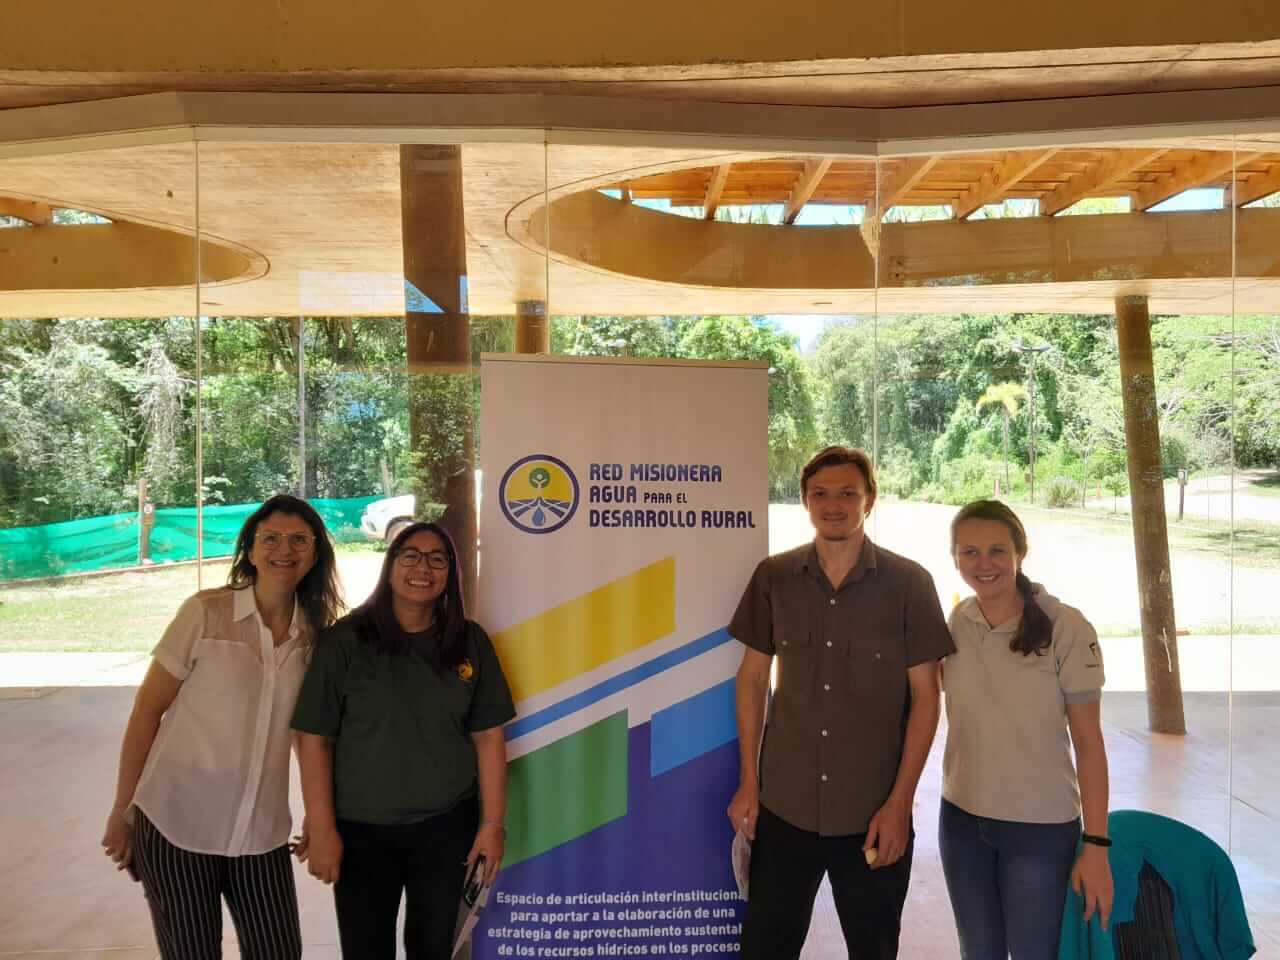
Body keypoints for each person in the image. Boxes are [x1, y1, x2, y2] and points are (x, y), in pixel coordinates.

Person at [726, 445, 954, 960]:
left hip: (873, 813)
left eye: (848, 493)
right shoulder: (774, 577)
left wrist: (900, 805)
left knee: (874, 949)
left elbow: (926, 699)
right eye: (821, 494)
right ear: (805, 500)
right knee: (764, 949)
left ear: (869, 499)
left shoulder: (909, 584)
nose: (834, 505)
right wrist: (749, 782)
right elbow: (752, 678)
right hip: (785, 809)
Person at [101, 494, 343, 960]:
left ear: (315, 554)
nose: (284, 549)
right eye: (270, 538)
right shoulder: (205, 612)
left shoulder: (315, 637)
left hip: (262, 833)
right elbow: (147, 712)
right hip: (175, 823)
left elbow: (308, 737)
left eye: (299, 540)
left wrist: (319, 815)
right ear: (250, 549)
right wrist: (122, 810)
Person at [292, 520, 515, 960]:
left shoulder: (470, 641)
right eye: (410, 555)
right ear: (390, 566)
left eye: (437, 559)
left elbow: (489, 736)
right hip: (361, 831)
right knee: (366, 950)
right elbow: (313, 738)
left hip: (446, 827)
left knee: (433, 949)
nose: (423, 568)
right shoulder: (345, 641)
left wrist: (492, 826)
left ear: (451, 572)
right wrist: (322, 826)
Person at [940, 499, 1113, 959]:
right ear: (955, 558)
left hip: (1039, 830)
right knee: (978, 952)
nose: (984, 563)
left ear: (1020, 552)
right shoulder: (958, 621)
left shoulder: (1066, 626)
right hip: (961, 822)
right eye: (970, 552)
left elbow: (1089, 744)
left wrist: (1096, 844)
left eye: (997, 550)